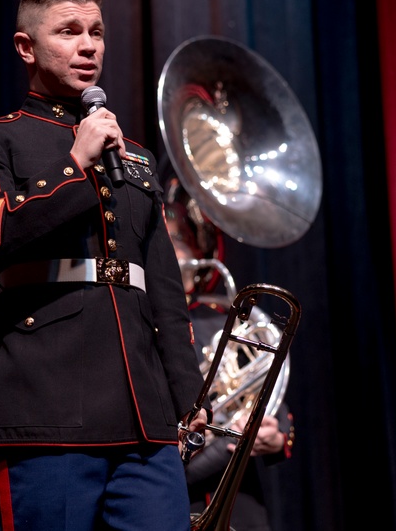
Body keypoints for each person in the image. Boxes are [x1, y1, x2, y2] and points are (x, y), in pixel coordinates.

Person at [0, 0, 208, 531]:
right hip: (45, 405)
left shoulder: (134, 155)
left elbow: (162, 285)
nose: (88, 45)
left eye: (96, 32)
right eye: (68, 31)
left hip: (143, 412)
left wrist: (188, 393)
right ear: (27, 48)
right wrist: (74, 166)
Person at [163, 178, 294, 531]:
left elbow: (269, 399)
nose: (175, 253)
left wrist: (277, 434)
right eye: (164, 243)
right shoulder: (137, 323)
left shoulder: (223, 320)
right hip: (175, 497)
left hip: (240, 501)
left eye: (179, 241)